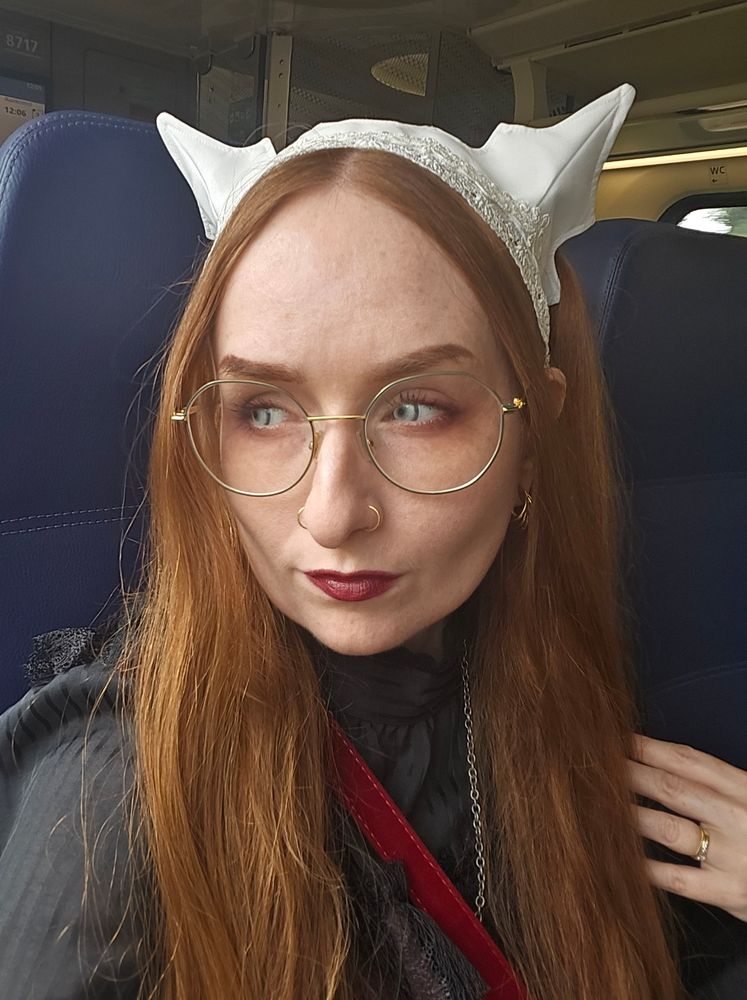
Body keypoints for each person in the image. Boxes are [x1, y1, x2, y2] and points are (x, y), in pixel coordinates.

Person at [1, 83, 746, 1000]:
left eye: (418, 408)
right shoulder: (115, 795)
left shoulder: (547, 690)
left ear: (534, 436)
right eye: (263, 410)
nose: (329, 513)